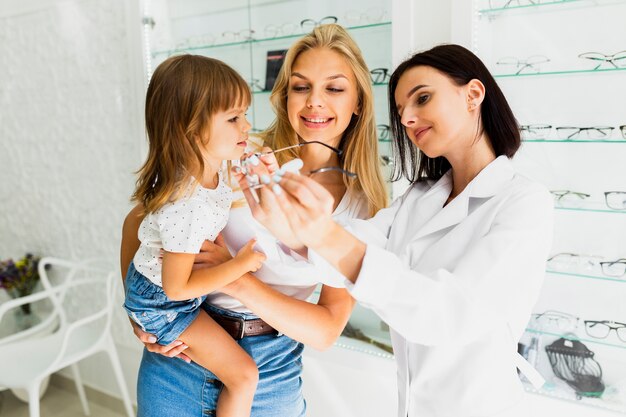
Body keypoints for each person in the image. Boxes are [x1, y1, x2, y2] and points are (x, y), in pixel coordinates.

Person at [238, 44, 555, 417]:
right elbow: (350, 248)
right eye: (402, 111)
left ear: (472, 95)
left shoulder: (523, 202)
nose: (407, 118)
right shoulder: (418, 199)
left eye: (422, 98)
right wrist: (289, 229)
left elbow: (447, 314)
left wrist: (318, 233)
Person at [120, 24, 388, 417]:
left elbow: (327, 329)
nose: (314, 102)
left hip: (270, 371)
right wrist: (140, 312)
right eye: (300, 86)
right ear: (284, 95)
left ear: (359, 102)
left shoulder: (362, 206)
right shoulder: (239, 151)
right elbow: (141, 219)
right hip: (185, 352)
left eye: (334, 88)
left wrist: (236, 277)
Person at [123, 54, 267, 417]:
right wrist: (240, 265)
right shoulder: (187, 204)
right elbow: (176, 288)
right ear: (191, 130)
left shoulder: (213, 173)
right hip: (164, 303)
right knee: (244, 377)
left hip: (165, 294)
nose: (246, 126)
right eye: (233, 118)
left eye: (244, 114)